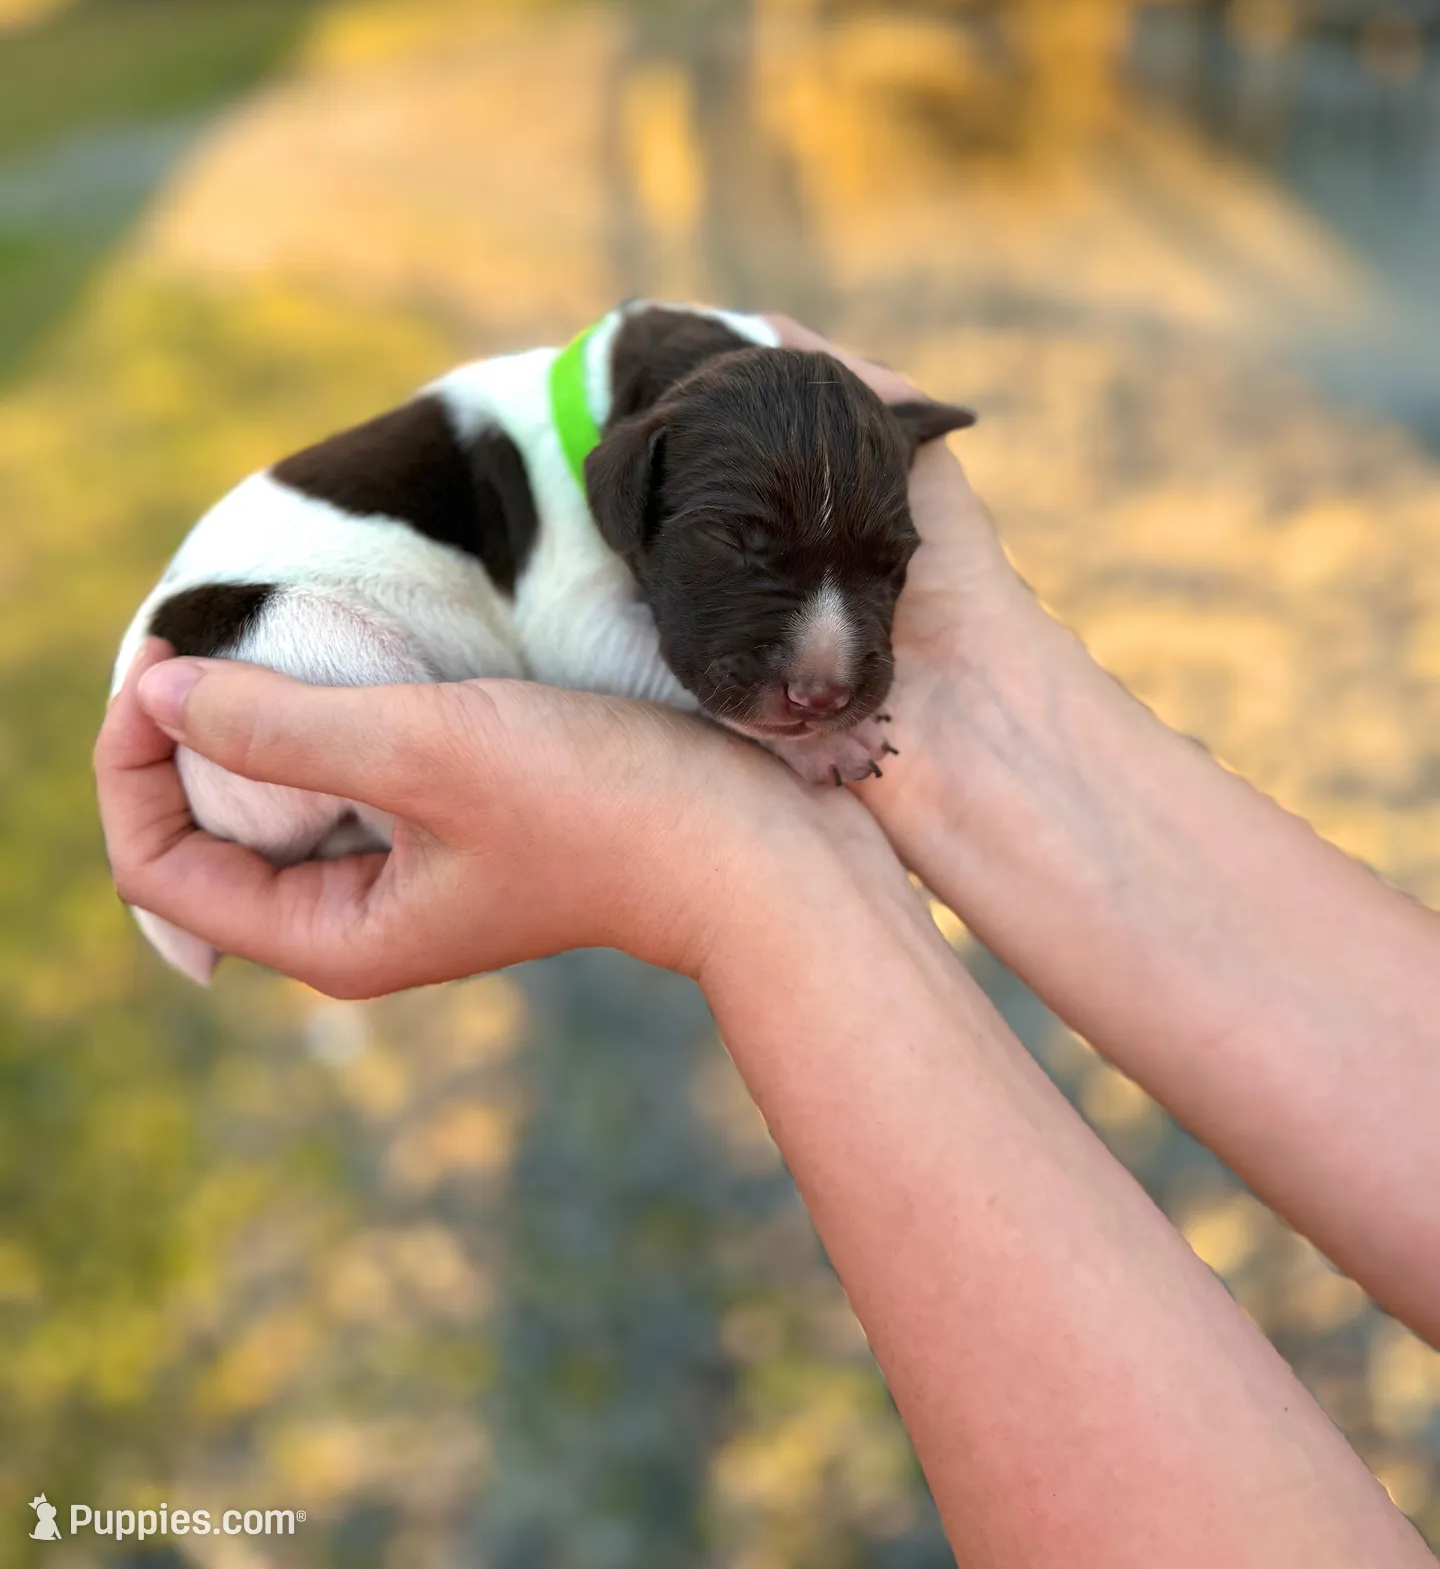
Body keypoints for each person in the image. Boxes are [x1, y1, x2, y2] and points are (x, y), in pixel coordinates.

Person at [94, 318, 1440, 1566]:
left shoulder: (675, 425)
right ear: (636, 493)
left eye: (881, 573)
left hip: (261, 733)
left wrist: (756, 848)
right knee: (466, 658)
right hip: (259, 659)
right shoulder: (575, 471)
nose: (833, 657)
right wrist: (743, 757)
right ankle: (340, 820)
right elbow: (579, 635)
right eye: (748, 552)